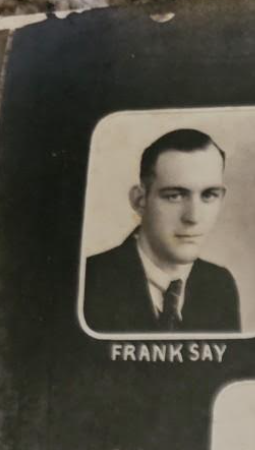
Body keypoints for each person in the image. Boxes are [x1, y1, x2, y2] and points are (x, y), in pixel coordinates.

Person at [83, 127, 241, 334]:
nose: (193, 217)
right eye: (174, 196)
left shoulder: (220, 285)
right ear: (139, 200)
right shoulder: (88, 280)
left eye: (209, 195)